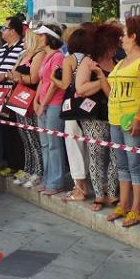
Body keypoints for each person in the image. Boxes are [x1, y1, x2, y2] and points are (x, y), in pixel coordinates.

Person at [107, 15, 140, 227]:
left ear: (134, 36)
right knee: (122, 164)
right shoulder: (121, 61)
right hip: (115, 117)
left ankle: (136, 208)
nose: (121, 38)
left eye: (124, 34)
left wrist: (138, 117)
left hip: (130, 117)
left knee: (135, 165)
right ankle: (123, 203)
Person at [76, 23, 119, 209]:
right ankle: (99, 195)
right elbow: (81, 89)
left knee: (116, 155)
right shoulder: (88, 62)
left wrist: (104, 80)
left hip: (114, 113)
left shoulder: (117, 62)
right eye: (112, 44)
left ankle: (112, 192)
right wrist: (104, 81)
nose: (115, 48)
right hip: (93, 115)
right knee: (96, 154)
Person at [52, 25, 91, 203]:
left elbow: (66, 84)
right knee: (87, 146)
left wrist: (54, 78)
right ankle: (86, 184)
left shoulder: (70, 59)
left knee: (73, 145)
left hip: (72, 107)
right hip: (88, 106)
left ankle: (79, 188)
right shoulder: (90, 59)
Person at [0, 16, 26, 176]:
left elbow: (21, 69)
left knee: (15, 130)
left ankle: (20, 165)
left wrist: (4, 76)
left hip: (13, 93)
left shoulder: (23, 48)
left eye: (5, 28)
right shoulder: (2, 48)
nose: (2, 31)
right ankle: (10, 163)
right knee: (3, 128)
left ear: (13, 31)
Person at [8, 30, 45, 188]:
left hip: (30, 98)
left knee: (33, 137)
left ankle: (38, 171)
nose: (23, 40)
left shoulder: (39, 54)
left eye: (26, 37)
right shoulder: (23, 54)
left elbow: (34, 78)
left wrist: (19, 78)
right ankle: (28, 169)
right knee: (24, 137)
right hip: (19, 97)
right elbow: (14, 72)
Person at [34, 24, 67, 196]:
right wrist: (36, 100)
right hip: (44, 104)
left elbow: (55, 84)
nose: (38, 38)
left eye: (41, 35)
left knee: (54, 144)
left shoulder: (58, 57)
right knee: (45, 144)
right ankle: (47, 179)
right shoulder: (47, 56)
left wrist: (43, 104)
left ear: (49, 38)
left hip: (54, 104)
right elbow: (42, 80)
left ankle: (56, 181)